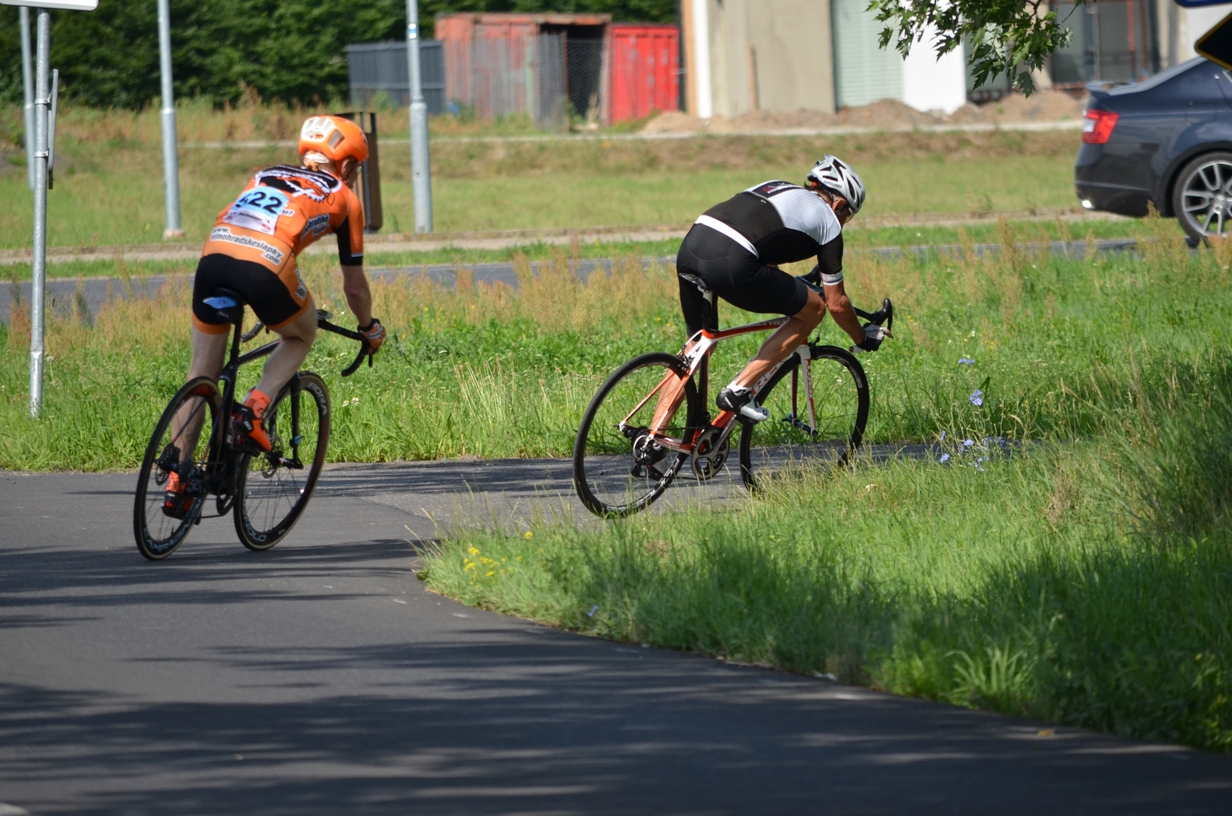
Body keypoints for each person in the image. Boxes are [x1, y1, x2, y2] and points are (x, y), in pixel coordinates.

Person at [164, 115, 386, 518]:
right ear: (347, 165)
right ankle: (252, 411)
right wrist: (369, 327)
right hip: (267, 266)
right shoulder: (346, 197)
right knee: (302, 333)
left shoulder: (264, 173)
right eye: (356, 168)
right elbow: (354, 288)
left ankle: (178, 478)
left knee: (201, 376)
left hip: (214, 256)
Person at [669, 154, 889, 424]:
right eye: (848, 215)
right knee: (814, 310)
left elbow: (763, 251)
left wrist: (797, 285)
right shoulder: (829, 221)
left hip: (694, 243)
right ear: (839, 203)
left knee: (696, 348)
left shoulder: (776, 187)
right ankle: (738, 390)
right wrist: (861, 338)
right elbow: (836, 303)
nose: (844, 221)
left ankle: (653, 437)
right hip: (733, 259)